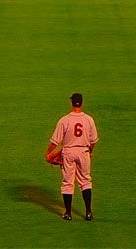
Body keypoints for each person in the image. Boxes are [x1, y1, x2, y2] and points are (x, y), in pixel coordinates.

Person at [47, 92, 99, 222]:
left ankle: (68, 213)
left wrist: (48, 153)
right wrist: (90, 151)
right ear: (82, 103)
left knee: (67, 183)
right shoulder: (89, 119)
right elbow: (93, 141)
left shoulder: (64, 120)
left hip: (69, 152)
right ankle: (88, 213)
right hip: (83, 152)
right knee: (86, 181)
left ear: (71, 103)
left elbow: (55, 141)